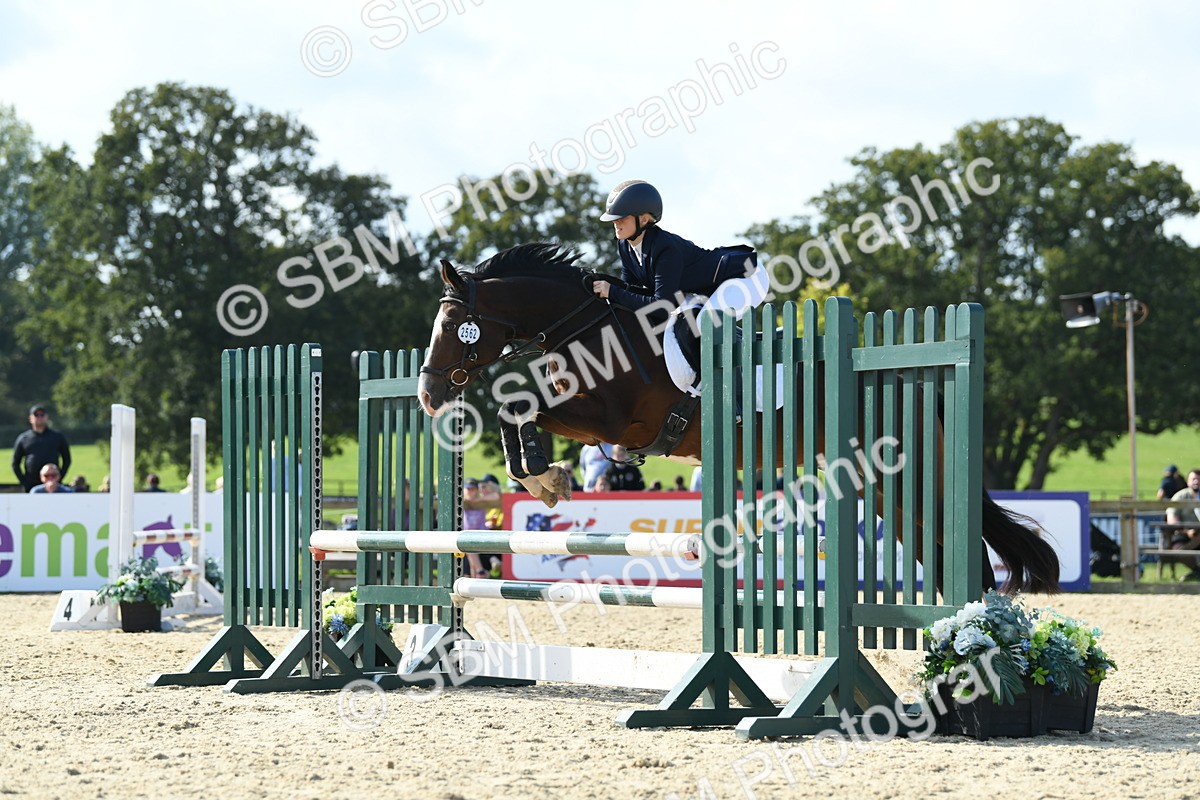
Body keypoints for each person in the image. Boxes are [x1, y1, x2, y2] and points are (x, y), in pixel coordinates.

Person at [590, 180, 758, 321]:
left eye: (622, 217)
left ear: (643, 219)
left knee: (700, 323)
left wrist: (612, 291)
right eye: (614, 218)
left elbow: (662, 308)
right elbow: (630, 290)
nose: (615, 222)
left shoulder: (665, 248)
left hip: (743, 276)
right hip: (703, 291)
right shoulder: (625, 245)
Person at [12, 405, 72, 493]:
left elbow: (67, 459)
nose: (40, 417)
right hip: (31, 485)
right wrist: (24, 482)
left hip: (53, 486)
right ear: (30, 418)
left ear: (47, 417)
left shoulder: (57, 437)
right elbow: (15, 463)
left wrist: (59, 478)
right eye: (36, 415)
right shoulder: (23, 438)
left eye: (42, 415)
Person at [1165, 468, 1200, 581]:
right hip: (1184, 533)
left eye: (1199, 479)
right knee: (1179, 550)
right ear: (1188, 481)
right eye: (1193, 479)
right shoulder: (1180, 497)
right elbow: (1172, 520)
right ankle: (1197, 571)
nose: (1196, 482)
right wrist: (1187, 532)